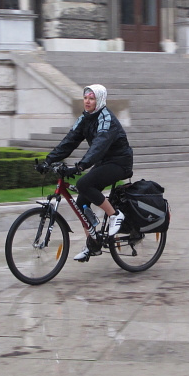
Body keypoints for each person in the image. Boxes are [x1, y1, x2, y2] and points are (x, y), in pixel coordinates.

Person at [42, 84, 133, 261]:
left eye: (91, 98)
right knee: (82, 199)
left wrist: (81, 166)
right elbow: (69, 140)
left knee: (84, 184)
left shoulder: (106, 119)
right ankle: (92, 243)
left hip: (119, 162)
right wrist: (48, 160)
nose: (87, 102)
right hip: (103, 162)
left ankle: (115, 215)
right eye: (85, 98)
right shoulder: (85, 118)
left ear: (99, 100)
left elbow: (99, 144)